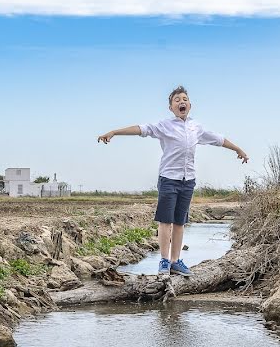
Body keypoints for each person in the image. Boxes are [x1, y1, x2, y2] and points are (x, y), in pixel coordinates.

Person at [97, 85, 248, 276]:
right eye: (176, 100)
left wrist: (238, 150)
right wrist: (114, 132)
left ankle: (176, 262)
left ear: (190, 105)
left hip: (188, 180)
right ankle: (164, 261)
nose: (181, 102)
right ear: (171, 107)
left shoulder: (196, 128)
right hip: (169, 179)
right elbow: (141, 129)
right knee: (165, 221)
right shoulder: (164, 126)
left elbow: (218, 139)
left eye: (184, 99)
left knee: (179, 222)